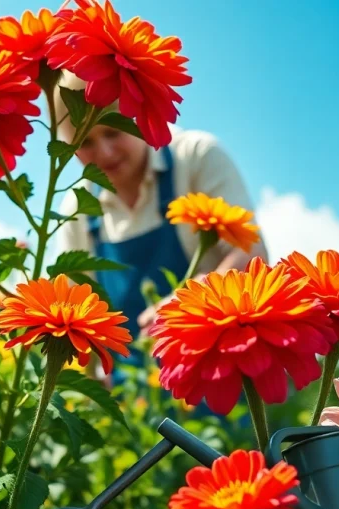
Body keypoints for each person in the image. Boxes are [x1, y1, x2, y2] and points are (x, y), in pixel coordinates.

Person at [55, 74, 268, 379]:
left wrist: (196, 299)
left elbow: (253, 256)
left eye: (113, 132)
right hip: (131, 397)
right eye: (85, 142)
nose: (105, 153)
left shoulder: (195, 157)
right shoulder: (77, 208)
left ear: (140, 117)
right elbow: (74, 316)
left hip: (218, 373)